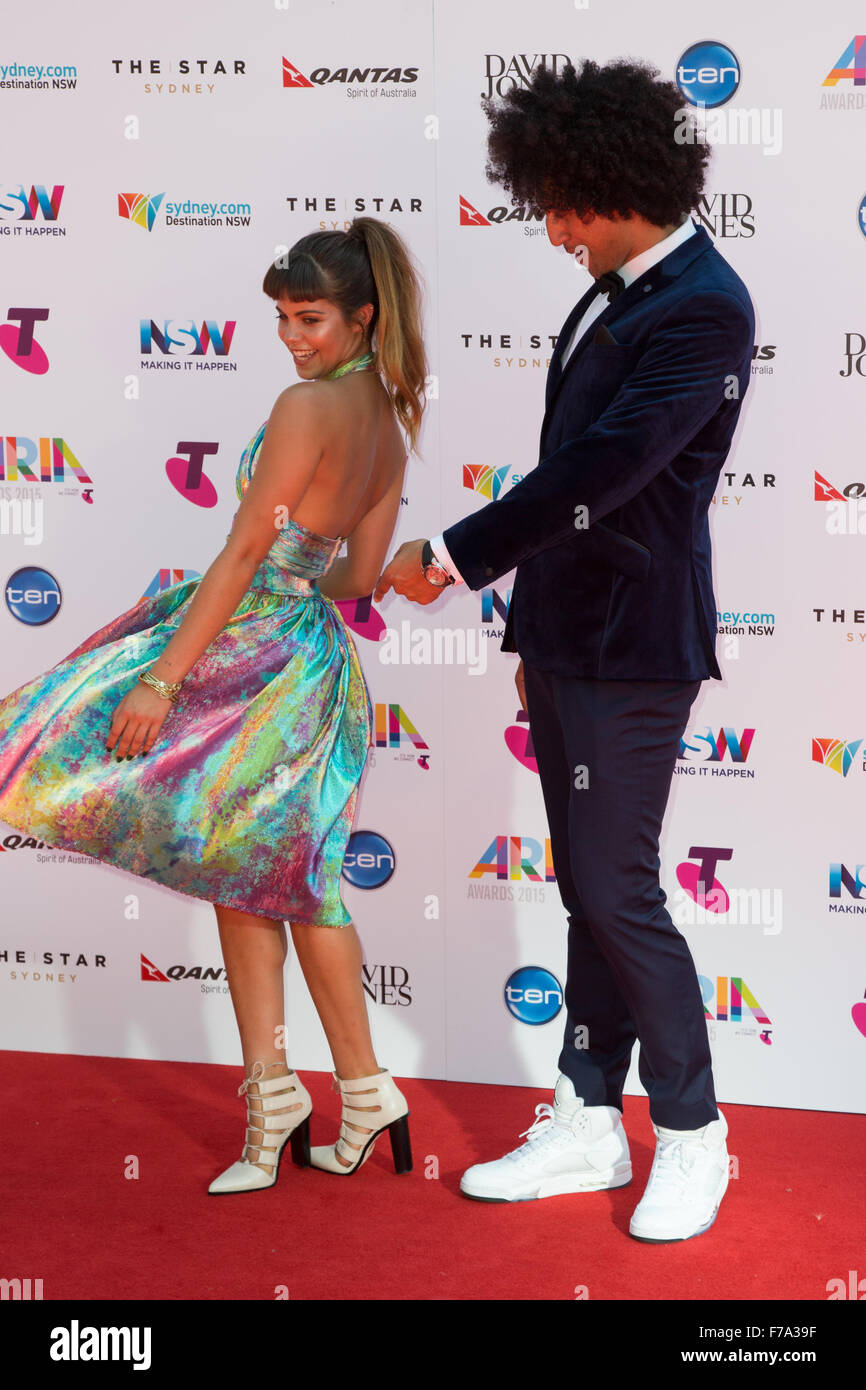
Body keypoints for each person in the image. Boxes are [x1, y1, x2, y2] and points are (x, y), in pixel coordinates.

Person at [375, 58, 755, 1242]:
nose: (548, 229)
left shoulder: (703, 304)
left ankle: (692, 1135)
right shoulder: (615, 282)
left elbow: (601, 474)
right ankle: (589, 1114)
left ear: (614, 184)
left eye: (559, 204)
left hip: (632, 644)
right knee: (587, 887)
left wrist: (449, 550)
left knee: (615, 887)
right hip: (562, 631)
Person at [0, 217, 425, 1194]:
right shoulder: (387, 427)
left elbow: (242, 554)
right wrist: (393, 567)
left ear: (363, 316)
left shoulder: (303, 408)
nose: (292, 337)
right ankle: (322, 1091)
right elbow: (356, 579)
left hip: (250, 646)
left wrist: (160, 677)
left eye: (311, 318)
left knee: (49, 737)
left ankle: (312, 1089)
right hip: (314, 657)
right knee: (264, 876)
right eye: (281, 317)